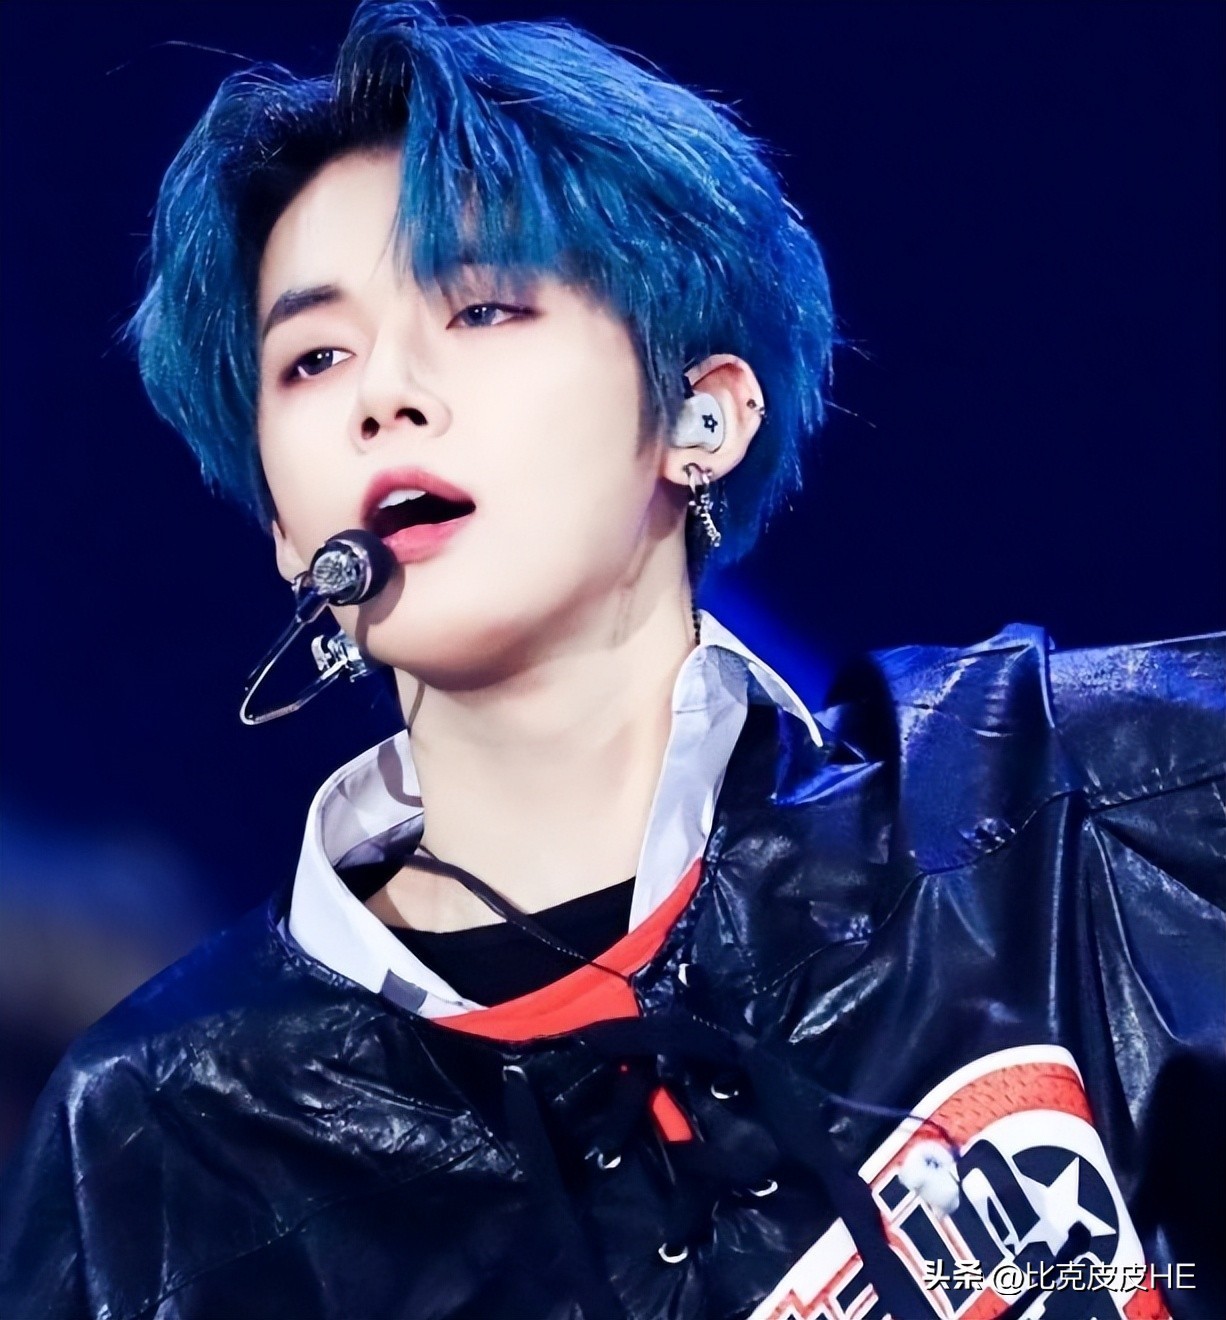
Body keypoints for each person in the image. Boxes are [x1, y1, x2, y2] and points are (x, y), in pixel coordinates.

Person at [1, 2, 1222, 1318]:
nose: (382, 395)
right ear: (290, 533)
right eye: (314, 357)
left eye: (480, 307)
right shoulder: (160, 1143)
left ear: (700, 417)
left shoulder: (1060, 807)